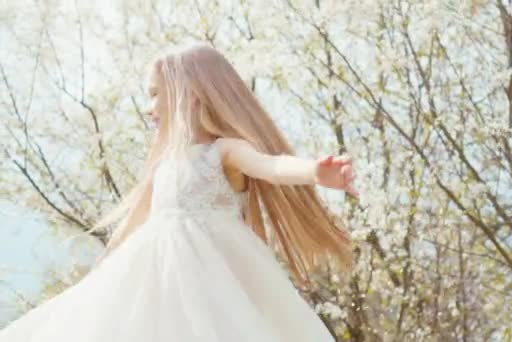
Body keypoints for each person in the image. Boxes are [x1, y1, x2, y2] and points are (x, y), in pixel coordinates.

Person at [0, 44, 356, 341]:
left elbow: (271, 166)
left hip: (213, 286)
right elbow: (135, 223)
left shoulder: (224, 151)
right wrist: (101, 273)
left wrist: (313, 171)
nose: (148, 107)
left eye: (156, 94)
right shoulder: (164, 162)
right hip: (156, 281)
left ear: (189, 92)